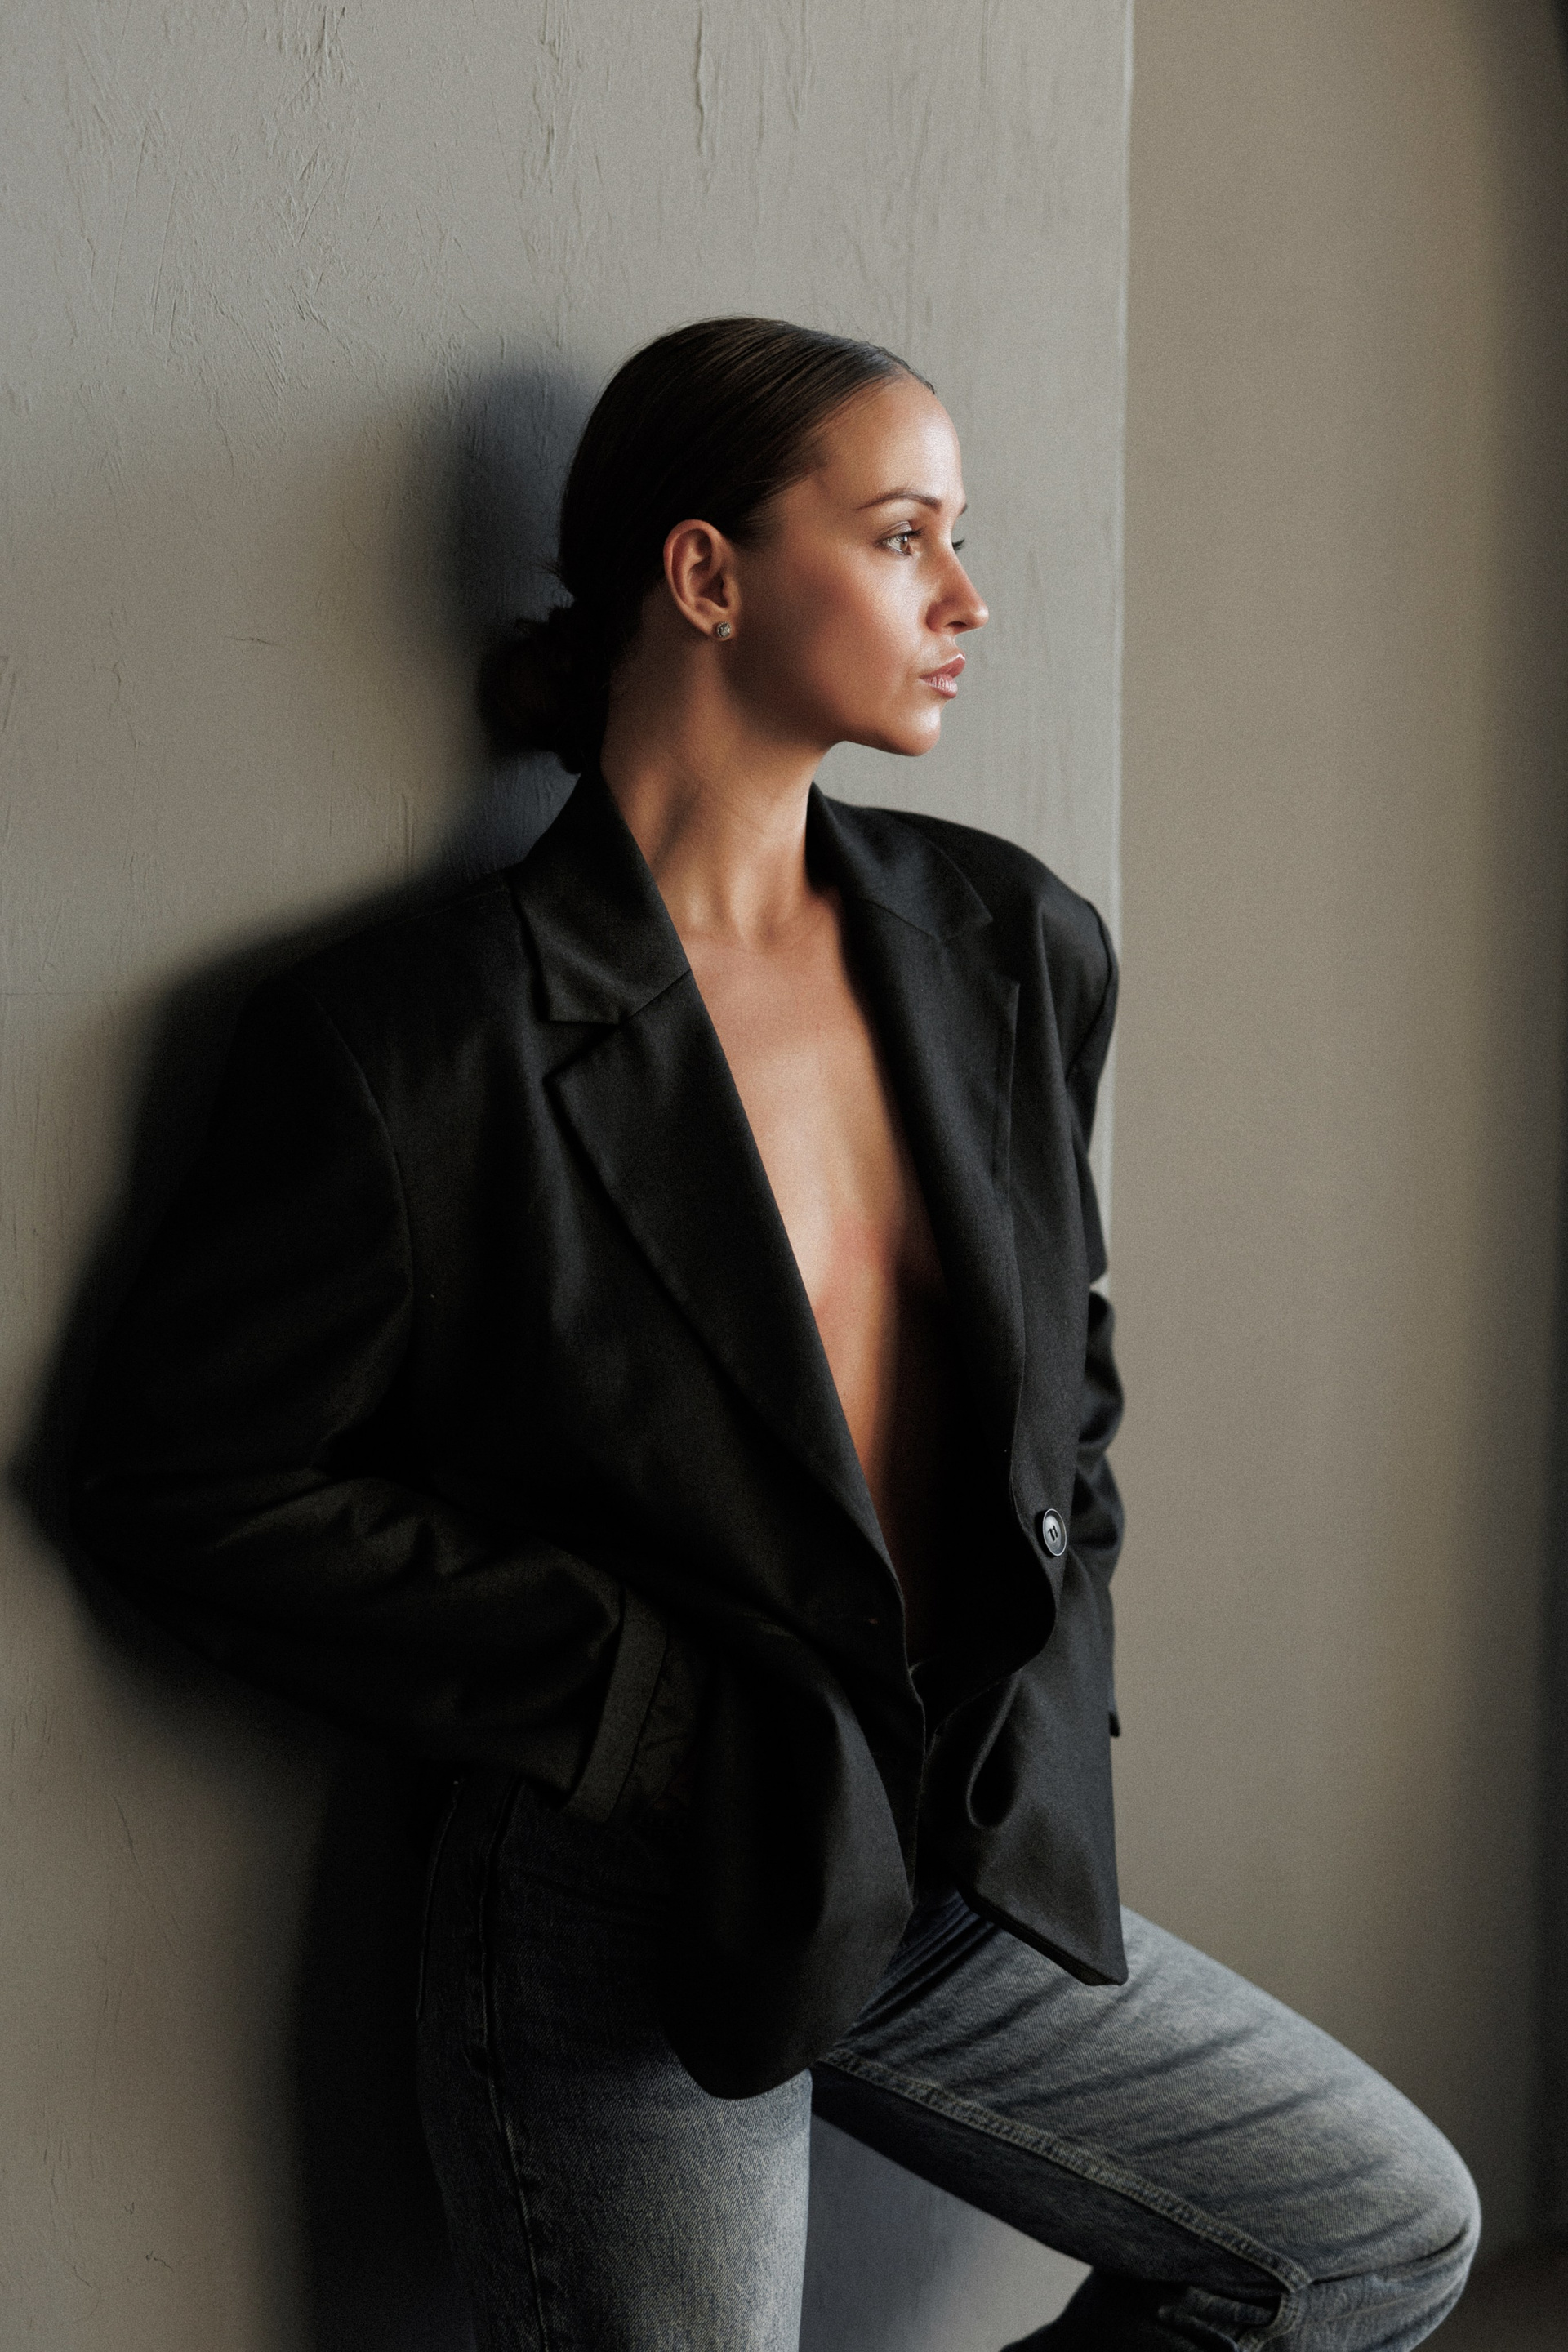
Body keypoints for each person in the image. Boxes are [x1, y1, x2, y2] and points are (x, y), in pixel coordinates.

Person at [71, 317, 1479, 2350]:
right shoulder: (417, 1039)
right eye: (903, 536)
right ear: (707, 575)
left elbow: (1063, 1367)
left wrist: (1036, 1698)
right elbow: (185, 1480)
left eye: (960, 538)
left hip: (948, 1853)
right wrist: (648, 1712)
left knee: (1374, 2235)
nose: (966, 599)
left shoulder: (1011, 945)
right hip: (627, 1897)